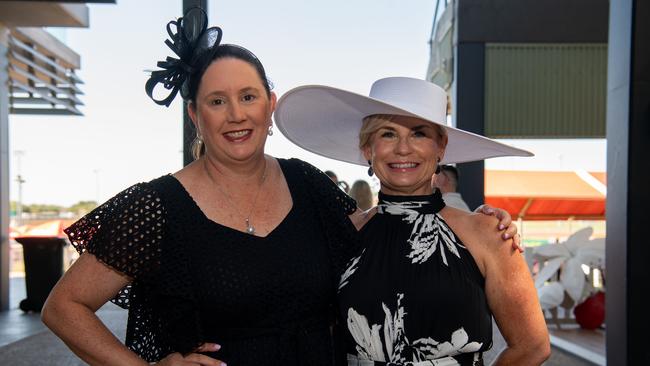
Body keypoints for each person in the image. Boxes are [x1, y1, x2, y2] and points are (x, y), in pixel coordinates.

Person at [42, 11, 521, 366]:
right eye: (216, 101)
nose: (236, 114)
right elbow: (65, 307)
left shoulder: (307, 185)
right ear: (195, 116)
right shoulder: (157, 205)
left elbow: (387, 233)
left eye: (248, 97)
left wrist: (478, 221)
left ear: (269, 106)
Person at [275, 77, 550, 365]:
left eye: (419, 134)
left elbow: (532, 346)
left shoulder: (488, 233)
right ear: (368, 149)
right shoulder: (344, 233)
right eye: (388, 134)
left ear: (441, 148)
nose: (403, 148)